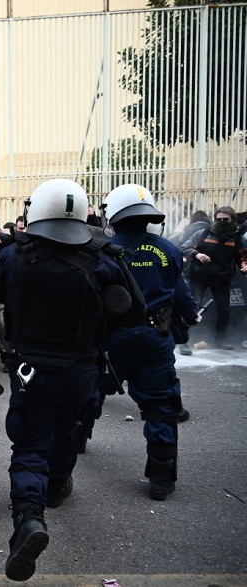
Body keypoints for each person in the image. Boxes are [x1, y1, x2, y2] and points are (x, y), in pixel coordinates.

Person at [0, 179, 142, 581]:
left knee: (29, 446)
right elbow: (131, 311)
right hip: (80, 370)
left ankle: (28, 518)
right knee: (68, 428)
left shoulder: (13, 256)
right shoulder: (104, 259)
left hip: (32, 371)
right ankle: (58, 485)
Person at [102, 184, 200, 502]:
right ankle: (161, 478)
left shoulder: (101, 251)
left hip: (112, 338)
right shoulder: (169, 250)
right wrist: (190, 317)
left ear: (114, 215)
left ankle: (76, 442)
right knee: (160, 405)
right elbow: (180, 293)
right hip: (156, 337)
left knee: (89, 391)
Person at [180, 205, 247, 350]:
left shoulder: (238, 239)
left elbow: (244, 256)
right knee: (193, 308)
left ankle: (220, 341)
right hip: (200, 277)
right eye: (219, 219)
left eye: (226, 220)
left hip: (222, 279)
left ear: (233, 220)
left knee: (224, 311)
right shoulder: (203, 234)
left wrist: (245, 265)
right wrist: (196, 254)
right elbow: (184, 248)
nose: (222, 222)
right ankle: (183, 341)